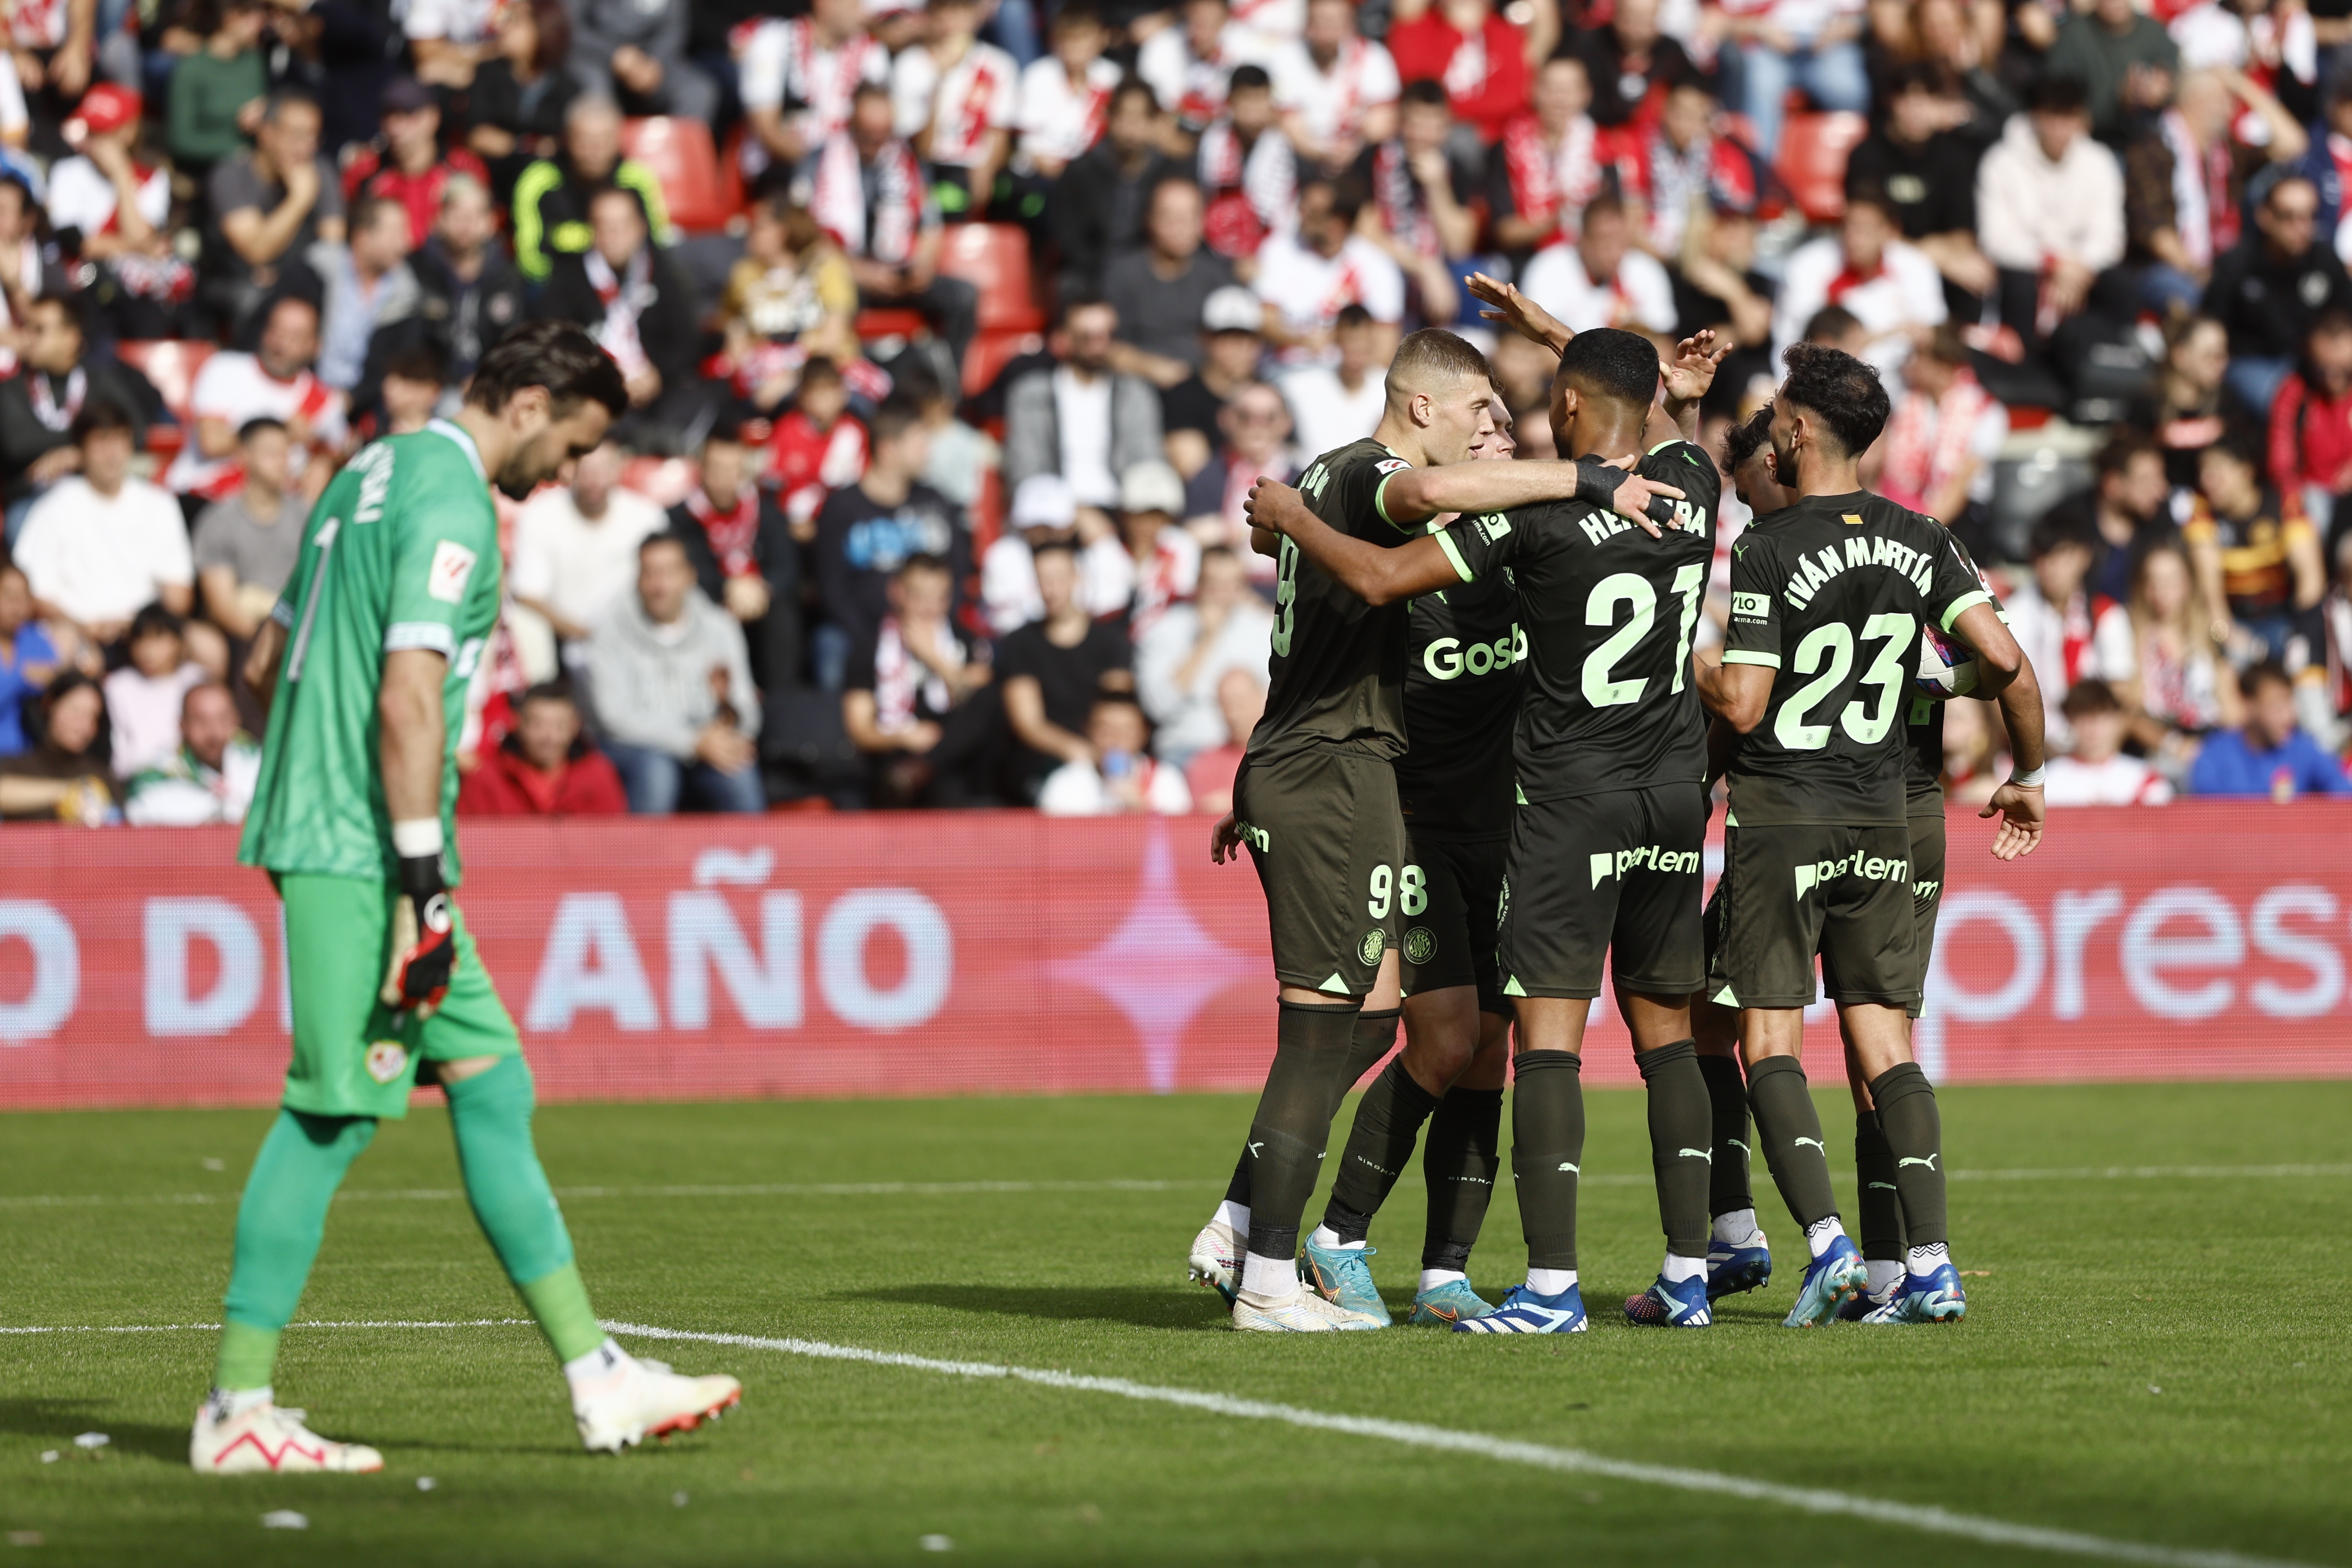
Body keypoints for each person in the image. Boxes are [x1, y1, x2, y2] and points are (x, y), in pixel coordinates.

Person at [206, 324, 736, 1469]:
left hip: (344, 830)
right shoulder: (453, 502)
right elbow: (407, 697)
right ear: (535, 402)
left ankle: (600, 1380)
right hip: (371, 855)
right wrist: (410, 876)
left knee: (494, 1081)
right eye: (575, 447)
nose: (564, 477)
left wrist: (309, 777)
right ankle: (236, 1411)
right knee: (335, 1110)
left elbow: (261, 662)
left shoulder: (366, 469)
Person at [1187, 325, 1673, 1332]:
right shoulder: (1398, 503)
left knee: (1466, 1041)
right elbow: (1379, 551)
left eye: (1508, 418)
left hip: (1483, 813)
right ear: (1426, 413)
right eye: (1479, 415)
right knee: (1368, 1024)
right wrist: (1576, 478)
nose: (1496, 430)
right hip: (1377, 800)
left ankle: (1413, 1262)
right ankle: (1291, 1243)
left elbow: (1289, 545)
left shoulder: (1510, 537)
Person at [1687, 341, 2044, 1330]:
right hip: (1887, 813)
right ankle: (1925, 1266)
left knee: (1763, 1035)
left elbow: (1747, 704)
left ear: (1796, 432)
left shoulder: (1767, 545)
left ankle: (1828, 1247)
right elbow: (2004, 662)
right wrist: (2028, 776)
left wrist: (1691, 656)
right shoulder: (1922, 536)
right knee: (1883, 1040)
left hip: (1786, 811)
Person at [799, 82, 979, 371]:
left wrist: (923, 265)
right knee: (835, 296)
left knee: (963, 296)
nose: (875, 141)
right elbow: (808, 236)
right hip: (849, 276)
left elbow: (930, 225)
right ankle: (849, 383)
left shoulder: (908, 161)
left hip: (899, 274)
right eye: (867, 133)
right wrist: (862, 273)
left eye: (883, 133)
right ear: (851, 123)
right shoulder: (819, 162)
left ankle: (947, 389)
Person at [589, 531, 764, 815]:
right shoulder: (609, 631)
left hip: (709, 742)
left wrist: (732, 731)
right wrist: (691, 742)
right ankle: (644, 859)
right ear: (638, 579)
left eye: (670, 573)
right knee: (657, 773)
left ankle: (753, 857)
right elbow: (614, 717)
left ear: (690, 576)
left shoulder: (720, 627)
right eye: (651, 574)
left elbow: (745, 702)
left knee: (739, 774)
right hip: (638, 747)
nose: (660, 585)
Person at [2123, 66, 2304, 318]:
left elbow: (2293, 143)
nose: (2231, 110)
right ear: (2199, 101)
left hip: (2219, 266)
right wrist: (2201, 273)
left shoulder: (2225, 153)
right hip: (2165, 270)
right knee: (2206, 300)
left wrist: (2243, 85)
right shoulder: (2154, 150)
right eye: (2226, 100)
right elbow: (2155, 232)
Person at [15, 400, 193, 655]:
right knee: (64, 650)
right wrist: (85, 627)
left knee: (207, 647)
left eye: (120, 440)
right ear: (80, 450)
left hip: (148, 632)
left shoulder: (160, 504)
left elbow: (179, 594)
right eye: (100, 442)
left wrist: (140, 627)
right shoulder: (53, 507)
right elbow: (38, 594)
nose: (111, 453)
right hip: (77, 632)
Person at [534, 184, 703, 444]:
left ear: (641, 228)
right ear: (592, 231)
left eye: (623, 226)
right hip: (596, 395)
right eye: (605, 226)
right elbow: (557, 343)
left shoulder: (666, 275)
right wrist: (607, 377)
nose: (614, 236)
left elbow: (688, 340)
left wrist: (657, 374)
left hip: (659, 393)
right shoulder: (568, 278)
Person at [812, 398, 965, 676]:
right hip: (861, 634)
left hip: (933, 628)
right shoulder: (842, 508)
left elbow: (958, 571)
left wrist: (935, 625)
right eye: (919, 443)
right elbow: (832, 589)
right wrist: (877, 639)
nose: (927, 452)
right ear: (888, 450)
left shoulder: (935, 503)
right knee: (830, 645)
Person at [1974, 75, 2125, 356]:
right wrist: (2053, 263)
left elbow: (2109, 235)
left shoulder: (2100, 162)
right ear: (2036, 118)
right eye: (2052, 119)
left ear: (2084, 122)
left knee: (2121, 287)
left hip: (2080, 270)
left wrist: (2078, 268)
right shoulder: (2000, 162)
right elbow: (1996, 238)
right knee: (2020, 288)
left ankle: (2105, 366)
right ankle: (2024, 367)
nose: (2060, 130)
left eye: (2069, 120)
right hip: (2027, 268)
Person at [165, 296, 350, 513]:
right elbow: (212, 443)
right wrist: (284, 432)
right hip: (205, 497)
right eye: (277, 331)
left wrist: (322, 464)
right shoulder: (225, 368)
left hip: (273, 514)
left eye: (295, 337)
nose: (282, 344)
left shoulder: (324, 400)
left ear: (314, 346)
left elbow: (339, 450)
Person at [842, 551, 998, 807]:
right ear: (897, 592)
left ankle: (923, 768)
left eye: (940, 597)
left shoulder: (967, 642)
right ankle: (915, 772)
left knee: (990, 700)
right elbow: (860, 729)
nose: (930, 607)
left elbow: (982, 702)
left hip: (954, 761)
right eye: (920, 596)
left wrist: (934, 659)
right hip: (894, 758)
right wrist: (903, 737)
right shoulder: (868, 650)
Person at [1843, 62, 1995, 309]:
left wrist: (1932, 256)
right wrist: (1931, 257)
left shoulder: (1955, 157)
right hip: (1881, 265)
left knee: (1974, 271)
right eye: (1908, 101)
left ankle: (1959, 342)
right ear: (1891, 102)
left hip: (1942, 263)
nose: (1917, 112)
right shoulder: (1866, 157)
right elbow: (1864, 233)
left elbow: (1963, 235)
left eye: (1926, 101)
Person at [47, 82, 193, 340]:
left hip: (132, 288)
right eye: (89, 131)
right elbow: (79, 244)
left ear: (128, 132)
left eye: (102, 132)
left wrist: (123, 176)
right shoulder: (66, 172)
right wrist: (139, 246)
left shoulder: (153, 178)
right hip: (82, 279)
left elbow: (143, 237)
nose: (92, 141)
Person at [669, 419, 801, 697]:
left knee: (784, 614)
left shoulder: (763, 510)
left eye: (733, 470)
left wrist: (761, 589)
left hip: (759, 602)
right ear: (702, 468)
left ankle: (782, 702)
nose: (724, 479)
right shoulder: (682, 517)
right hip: (712, 604)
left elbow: (786, 565)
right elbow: (690, 569)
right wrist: (728, 588)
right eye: (716, 469)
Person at [508, 438, 666, 670]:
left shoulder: (648, 518)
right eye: (587, 471)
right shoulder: (540, 515)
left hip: (638, 637)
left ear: (620, 468)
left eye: (604, 469)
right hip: (562, 641)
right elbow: (527, 594)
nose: (595, 481)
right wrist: (585, 634)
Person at [2205, 174, 2352, 417]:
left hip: (2316, 364)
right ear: (2265, 217)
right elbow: (2213, 325)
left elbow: (2345, 320)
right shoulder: (2237, 265)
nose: (2301, 227)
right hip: (2253, 364)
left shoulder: (2325, 261)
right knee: (2285, 406)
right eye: (2289, 217)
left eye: (2309, 217)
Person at [996, 538, 1134, 797]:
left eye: (1059, 578)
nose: (1051, 590)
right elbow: (1029, 724)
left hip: (1105, 753)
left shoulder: (1111, 643)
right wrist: (1077, 751)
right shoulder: (1020, 643)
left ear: (1077, 578)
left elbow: (1117, 712)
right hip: (1044, 760)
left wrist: (1104, 755)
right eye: (1043, 580)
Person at [203, 90, 345, 340]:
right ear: (267, 133)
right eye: (298, 136)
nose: (308, 147)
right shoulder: (231, 175)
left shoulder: (320, 171)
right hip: (236, 284)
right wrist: (299, 200)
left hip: (299, 280)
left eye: (315, 136)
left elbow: (333, 246)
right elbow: (255, 250)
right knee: (257, 300)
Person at [0, 294, 156, 519]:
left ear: (70, 337)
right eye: (26, 328)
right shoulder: (10, 390)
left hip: (98, 495)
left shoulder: (102, 382)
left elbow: (137, 433)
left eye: (39, 330)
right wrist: (89, 446)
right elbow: (17, 444)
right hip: (34, 502)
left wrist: (80, 456)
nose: (27, 337)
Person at [1004, 296, 1165, 513]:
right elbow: (1025, 471)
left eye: (1106, 336)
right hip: (1050, 512)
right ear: (1064, 339)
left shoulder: (1136, 395)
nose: (1098, 346)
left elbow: (1147, 466)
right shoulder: (1030, 396)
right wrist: (1077, 513)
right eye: (1086, 337)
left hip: (1122, 511)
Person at [1772, 188, 1948, 380]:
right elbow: (1801, 342)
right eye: (1848, 226)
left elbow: (1933, 333)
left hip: (1904, 382)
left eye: (1864, 229)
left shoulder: (1915, 266)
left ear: (1890, 231)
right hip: (1830, 384)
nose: (1853, 238)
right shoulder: (1808, 265)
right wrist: (1893, 332)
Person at [2185, 424, 2325, 662]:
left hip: (2283, 618)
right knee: (2223, 651)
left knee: (2305, 654)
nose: (2207, 481)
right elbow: (2211, 601)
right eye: (2203, 472)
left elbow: (2311, 582)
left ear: (2246, 471)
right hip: (2232, 624)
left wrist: (2298, 633)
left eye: (2217, 471)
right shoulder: (2202, 514)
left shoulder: (2283, 504)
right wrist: (2229, 639)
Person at [2004, 513, 2138, 754]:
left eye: (2063, 557)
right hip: (2029, 751)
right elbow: (2002, 696)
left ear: (2084, 557)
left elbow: (2122, 696)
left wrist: (2093, 754)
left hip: (2098, 751)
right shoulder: (2011, 616)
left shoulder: (2107, 616)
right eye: (2045, 558)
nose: (2053, 569)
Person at [511, 96, 672, 284]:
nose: (594, 150)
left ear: (617, 139)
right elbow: (530, 260)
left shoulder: (638, 180)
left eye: (604, 140)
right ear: (567, 139)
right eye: (585, 141)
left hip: (626, 286)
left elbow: (658, 245)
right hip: (557, 287)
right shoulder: (538, 181)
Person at [1354, 80, 1476, 324]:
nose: (1422, 136)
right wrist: (1424, 267)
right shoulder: (1374, 158)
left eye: (1432, 126)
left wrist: (1437, 186)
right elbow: (1365, 232)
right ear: (1402, 122)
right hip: (1391, 263)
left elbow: (1459, 247)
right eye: (1415, 124)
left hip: (1442, 273)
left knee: (1472, 276)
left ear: (1446, 127)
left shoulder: (1458, 168)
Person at [1137, 542, 1270, 766]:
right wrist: (1207, 639)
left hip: (1247, 750)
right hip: (1185, 749)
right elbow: (1158, 706)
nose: (1221, 594)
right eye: (1214, 584)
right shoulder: (1165, 629)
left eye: (1231, 585)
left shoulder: (1263, 630)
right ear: (1198, 582)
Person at [1252, 178, 1407, 365]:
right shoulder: (1279, 251)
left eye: (1314, 213)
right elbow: (1265, 323)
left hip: (1350, 378)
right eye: (1302, 207)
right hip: (1285, 371)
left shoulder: (1377, 266)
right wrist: (1304, 341)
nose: (1301, 216)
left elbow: (1385, 349)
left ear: (1339, 223)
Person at [1105, 177, 1239, 389]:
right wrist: (1149, 367)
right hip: (1138, 384)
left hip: (1204, 385)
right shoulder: (1123, 275)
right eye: (1170, 218)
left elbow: (1236, 344)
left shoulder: (1217, 277)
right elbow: (1106, 346)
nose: (1180, 228)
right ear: (1149, 220)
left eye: (1189, 218)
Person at [1613, 80, 1769, 260]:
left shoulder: (1724, 156)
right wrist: (1661, 257)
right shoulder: (1641, 149)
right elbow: (1631, 219)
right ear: (1665, 113)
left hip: (1707, 245)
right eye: (1678, 114)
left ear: (1707, 120)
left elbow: (1741, 218)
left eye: (1693, 116)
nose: (1684, 124)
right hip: (1654, 248)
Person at [2127, 539, 2243, 782]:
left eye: (2171, 581)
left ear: (2188, 582)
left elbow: (2233, 711)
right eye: (2153, 582)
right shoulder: (2134, 636)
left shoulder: (2211, 636)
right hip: (2159, 745)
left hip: (2211, 740)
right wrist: (2174, 745)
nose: (2162, 591)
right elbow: (2131, 713)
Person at [1872, 324, 2007, 530]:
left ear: (1943, 365)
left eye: (1920, 356)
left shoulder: (1988, 412)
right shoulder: (1905, 400)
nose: (1911, 363)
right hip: (1903, 508)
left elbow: (1961, 482)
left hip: (1960, 516)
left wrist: (1924, 531)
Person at [892, 0, 1017, 221]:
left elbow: (1000, 132)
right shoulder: (910, 64)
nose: (951, 23)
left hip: (976, 167)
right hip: (931, 168)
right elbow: (922, 149)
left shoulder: (999, 64)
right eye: (943, 12)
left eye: (960, 12)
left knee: (1022, 196)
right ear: (930, 17)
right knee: (948, 195)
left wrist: (985, 171)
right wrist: (940, 83)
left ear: (975, 17)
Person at [1052, 75, 1179, 293]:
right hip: (1091, 276)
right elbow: (1069, 239)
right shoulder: (1080, 171)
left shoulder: (1169, 173)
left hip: (1152, 275)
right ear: (1109, 118)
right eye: (1124, 117)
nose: (1131, 129)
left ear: (1154, 122)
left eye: (1140, 118)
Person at [738, 0, 889, 180]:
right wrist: (820, 171)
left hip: (851, 175)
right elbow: (767, 130)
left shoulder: (871, 52)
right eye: (855, 3)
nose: (864, 13)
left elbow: (879, 125)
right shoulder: (774, 40)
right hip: (781, 174)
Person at [403, 175, 526, 395]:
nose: (467, 225)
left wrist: (484, 381)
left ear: (491, 223)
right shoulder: (416, 271)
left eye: (476, 216)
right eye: (458, 215)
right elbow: (410, 343)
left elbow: (511, 343)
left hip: (489, 387)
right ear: (438, 220)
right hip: (429, 387)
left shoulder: (506, 275)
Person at [340, 77, 494, 252]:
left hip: (447, 267)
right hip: (389, 270)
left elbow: (487, 227)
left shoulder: (464, 167)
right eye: (388, 116)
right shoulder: (364, 172)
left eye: (407, 116)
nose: (395, 127)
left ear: (433, 118)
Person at [1486, 55, 1602, 265]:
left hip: (1588, 264)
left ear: (1586, 95)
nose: (1559, 99)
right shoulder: (1506, 148)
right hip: (1524, 262)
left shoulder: (1603, 151)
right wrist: (1557, 219)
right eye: (1551, 88)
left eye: (1568, 90)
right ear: (1534, 91)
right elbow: (1505, 231)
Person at [982, 471, 1131, 633]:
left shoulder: (1092, 552)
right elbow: (1005, 621)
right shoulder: (1005, 555)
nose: (1045, 536)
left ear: (1072, 524)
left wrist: (1103, 541)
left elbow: (1115, 600)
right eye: (1036, 526)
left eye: (1052, 526)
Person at [1182, 379, 1299, 583]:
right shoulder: (1209, 476)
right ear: (1226, 419)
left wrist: (1226, 531)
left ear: (1286, 422)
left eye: (1269, 418)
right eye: (1245, 417)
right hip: (1223, 590)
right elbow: (1195, 535)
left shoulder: (1303, 478)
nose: (1257, 426)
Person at [453, 680, 629, 816]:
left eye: (559, 726)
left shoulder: (598, 775)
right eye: (538, 725)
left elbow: (611, 845)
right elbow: (468, 845)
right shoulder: (486, 780)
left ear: (575, 727)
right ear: (517, 724)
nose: (549, 737)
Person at [2043, 426, 2175, 606]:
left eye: (2161, 477)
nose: (2161, 490)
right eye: (2147, 480)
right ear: (2113, 485)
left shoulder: (2162, 523)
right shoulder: (2068, 523)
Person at [1724, 0, 1871, 160]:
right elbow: (1721, 19)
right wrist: (1759, 28)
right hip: (1768, 46)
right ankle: (1759, 171)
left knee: (1847, 89)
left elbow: (1866, 17)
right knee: (1760, 89)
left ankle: (1857, 170)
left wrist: (1846, 28)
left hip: (1830, 46)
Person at [1519, 191, 1678, 337]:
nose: (1615, 254)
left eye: (1621, 244)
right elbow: (1540, 341)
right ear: (1582, 241)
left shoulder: (1647, 270)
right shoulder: (1548, 269)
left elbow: (1663, 339)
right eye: (1605, 244)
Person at [465, 0, 580, 201]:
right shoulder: (488, 74)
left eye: (516, 22)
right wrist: (528, 146)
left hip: (547, 186)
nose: (504, 29)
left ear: (543, 29)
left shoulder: (568, 87)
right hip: (494, 181)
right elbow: (478, 136)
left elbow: (566, 143)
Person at [2188, 657, 2351, 795]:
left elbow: (2342, 793)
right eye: (2276, 707)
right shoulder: (2215, 756)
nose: (2288, 716)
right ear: (2249, 706)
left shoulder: (2304, 749)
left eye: (2290, 703)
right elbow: (2208, 817)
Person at [1272, 0, 1401, 177]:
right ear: (1308, 24)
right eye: (1321, 21)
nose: (1328, 29)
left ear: (1350, 24)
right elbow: (1288, 125)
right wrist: (1323, 154)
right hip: (1303, 161)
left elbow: (1383, 120)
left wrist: (1353, 148)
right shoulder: (1287, 58)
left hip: (1361, 159)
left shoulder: (1373, 56)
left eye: (1336, 21)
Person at [1162, 285, 1271, 479]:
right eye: (1226, 338)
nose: (1238, 349)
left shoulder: (1270, 395)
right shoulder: (1182, 397)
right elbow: (1194, 473)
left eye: (1246, 338)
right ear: (1204, 340)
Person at [1386, 0, 1530, 145]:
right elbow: (1419, 85)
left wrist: (1452, 110)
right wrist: (1456, 30)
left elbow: (1513, 97)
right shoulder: (1418, 26)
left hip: (1492, 137)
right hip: (1431, 132)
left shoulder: (1505, 33)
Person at [316, 196, 420, 396]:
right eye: (396, 235)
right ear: (362, 238)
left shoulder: (407, 296)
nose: (406, 243)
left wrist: (351, 401)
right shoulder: (316, 271)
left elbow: (393, 369)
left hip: (365, 404)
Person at [123, 679, 264, 825]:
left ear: (236, 720)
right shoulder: (155, 775)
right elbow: (138, 810)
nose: (214, 733)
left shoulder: (258, 760)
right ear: (182, 725)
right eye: (201, 721)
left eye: (223, 719)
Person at [1198, 66, 1299, 262]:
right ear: (1231, 102)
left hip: (1272, 252)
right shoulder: (1212, 142)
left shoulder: (1283, 147)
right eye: (1246, 100)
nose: (1254, 110)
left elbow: (1280, 217)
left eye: (1260, 100)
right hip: (1215, 250)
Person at [2044, 0, 2179, 144]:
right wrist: (2121, 100)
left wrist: (2161, 93)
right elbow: (2058, 107)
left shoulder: (2155, 33)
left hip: (2145, 142)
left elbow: (2176, 88)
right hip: (2090, 144)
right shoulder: (2074, 37)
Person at [1039, 691, 1193, 814]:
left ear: (1143, 734)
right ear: (1088, 730)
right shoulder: (1065, 783)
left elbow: (1178, 842)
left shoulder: (1165, 779)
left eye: (1126, 731)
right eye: (1106, 730)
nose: (1117, 740)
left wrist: (1141, 808)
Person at [2268, 308, 2352, 534]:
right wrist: (2291, 495)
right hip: (2312, 491)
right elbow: (2281, 455)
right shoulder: (2296, 393)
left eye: (2343, 368)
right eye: (2323, 368)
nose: (2333, 376)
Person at [102, 600, 206, 779]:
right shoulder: (118, 685)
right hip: (136, 779)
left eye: (158, 638)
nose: (147, 650)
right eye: (140, 640)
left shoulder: (195, 679)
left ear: (179, 643)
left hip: (190, 776)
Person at [567, 0, 717, 122]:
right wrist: (614, 54)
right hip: (596, 56)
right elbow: (570, 27)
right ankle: (602, 156)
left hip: (650, 60)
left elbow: (674, 29)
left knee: (697, 91)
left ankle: (678, 156)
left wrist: (654, 63)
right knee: (596, 101)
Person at [166, 0, 270, 175]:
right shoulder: (191, 69)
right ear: (232, 18)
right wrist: (237, 151)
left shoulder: (255, 62)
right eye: (255, 18)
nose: (260, 26)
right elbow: (181, 140)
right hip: (211, 170)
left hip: (257, 167)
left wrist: (266, 109)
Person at [0, 671, 116, 823]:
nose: (83, 726)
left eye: (92, 716)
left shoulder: (101, 775)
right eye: (76, 711)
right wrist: (67, 791)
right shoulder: (16, 765)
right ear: (49, 705)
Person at [1567, 0, 1698, 132]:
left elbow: (1695, 91)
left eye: (1643, 20)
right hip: (1595, 134)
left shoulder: (1672, 53)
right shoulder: (1589, 45)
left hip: (1651, 140)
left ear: (1656, 20)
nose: (1635, 29)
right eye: (1629, 18)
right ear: (1616, 15)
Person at [1281, 305, 1390, 459]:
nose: (1355, 360)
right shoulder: (1303, 384)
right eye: (1350, 348)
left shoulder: (1389, 389)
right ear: (1337, 341)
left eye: (1362, 349)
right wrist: (1305, 344)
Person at [2045, 678, 2174, 804]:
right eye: (2084, 719)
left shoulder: (2145, 780)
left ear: (2118, 720)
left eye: (2100, 718)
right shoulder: (2047, 782)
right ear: (2069, 720)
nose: (2092, 729)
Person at [0, 563, 62, 757]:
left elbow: (58, 682)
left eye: (24, 598)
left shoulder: (36, 639)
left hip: (32, 758)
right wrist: (22, 678)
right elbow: (31, 676)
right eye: (9, 596)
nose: (17, 606)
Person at [1183, 665, 1263, 813]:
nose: (1233, 715)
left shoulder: (1284, 755)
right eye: (1226, 705)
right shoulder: (1204, 764)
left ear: (1262, 698)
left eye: (1240, 703)